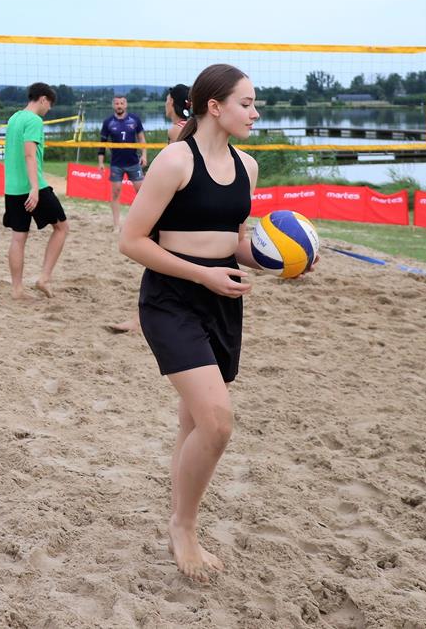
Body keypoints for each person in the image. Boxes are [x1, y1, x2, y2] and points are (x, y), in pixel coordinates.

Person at [119, 64, 263, 582]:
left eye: (255, 103)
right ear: (214, 107)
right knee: (217, 423)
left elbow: (233, 242)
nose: (255, 112)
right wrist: (203, 276)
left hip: (221, 300)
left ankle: (178, 516)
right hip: (171, 300)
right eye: (246, 103)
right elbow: (131, 241)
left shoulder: (247, 167)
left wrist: (279, 260)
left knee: (194, 422)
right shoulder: (176, 160)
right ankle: (183, 527)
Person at [108, 82, 190, 334]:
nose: (165, 103)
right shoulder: (193, 126)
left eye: (167, 99)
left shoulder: (177, 130)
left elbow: (175, 169)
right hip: (190, 202)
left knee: (154, 260)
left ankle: (139, 319)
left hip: (177, 203)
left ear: (172, 102)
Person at [3, 82, 69, 300]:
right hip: (33, 186)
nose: (49, 109)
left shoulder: (14, 118)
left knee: (18, 238)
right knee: (62, 227)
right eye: (49, 104)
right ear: (43, 99)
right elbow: (29, 154)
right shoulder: (34, 120)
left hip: (12, 188)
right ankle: (44, 278)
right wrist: (34, 188)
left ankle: (17, 290)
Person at [98, 95, 147, 231]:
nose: (119, 106)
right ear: (113, 105)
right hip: (116, 164)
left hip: (133, 162)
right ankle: (116, 225)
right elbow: (102, 144)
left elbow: (142, 139)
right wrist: (100, 162)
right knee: (115, 193)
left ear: (126, 105)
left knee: (142, 193)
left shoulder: (134, 119)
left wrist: (144, 155)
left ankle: (142, 223)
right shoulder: (108, 122)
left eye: (122, 103)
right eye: (117, 103)